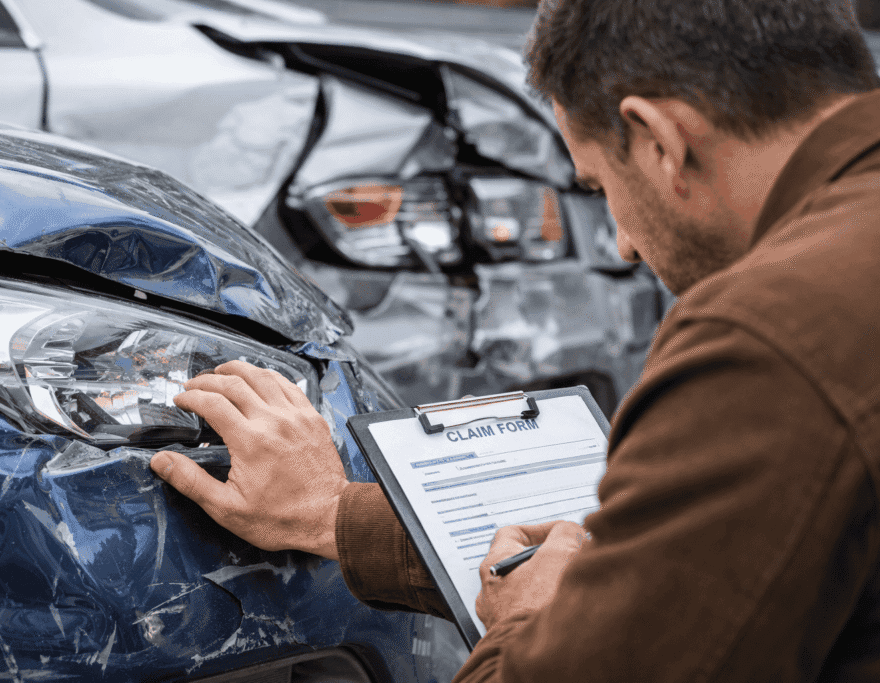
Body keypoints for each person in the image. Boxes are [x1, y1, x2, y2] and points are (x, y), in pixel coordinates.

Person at [149, 0, 880, 679]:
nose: (624, 245)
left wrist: (527, 618)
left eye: (598, 188)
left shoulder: (765, 338)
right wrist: (331, 515)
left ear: (660, 141)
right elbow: (697, 555)